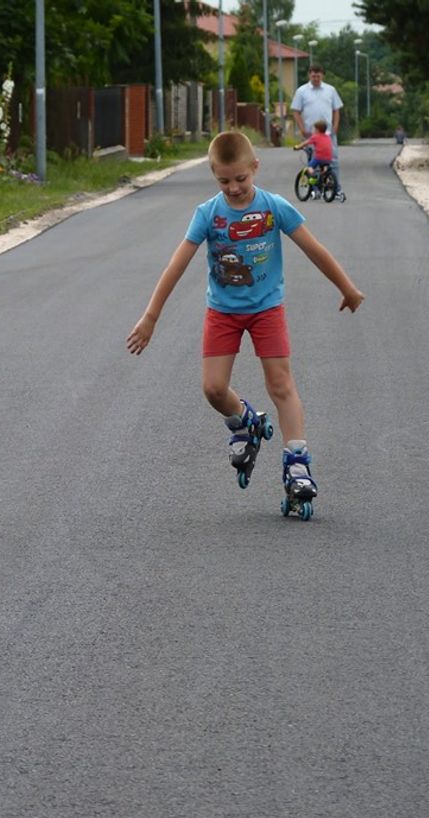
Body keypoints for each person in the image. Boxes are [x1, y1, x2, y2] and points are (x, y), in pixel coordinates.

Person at [126, 131, 364, 507]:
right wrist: (150, 317)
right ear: (213, 175)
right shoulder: (207, 214)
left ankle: (298, 462)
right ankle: (245, 421)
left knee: (281, 383)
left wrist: (346, 288)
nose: (234, 188)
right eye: (224, 181)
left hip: (267, 309)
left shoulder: (274, 207)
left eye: (240, 178)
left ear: (255, 168)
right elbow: (177, 264)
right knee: (214, 389)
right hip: (222, 312)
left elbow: (313, 248)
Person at [291, 63, 345, 200]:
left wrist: (336, 125)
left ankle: (335, 189)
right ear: (309, 75)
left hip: (328, 134)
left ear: (322, 75)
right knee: (313, 161)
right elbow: (296, 111)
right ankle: (315, 189)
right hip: (312, 134)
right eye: (313, 75)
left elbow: (336, 109)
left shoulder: (330, 90)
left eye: (318, 75)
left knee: (332, 160)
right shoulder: (302, 91)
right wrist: (302, 128)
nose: (316, 78)